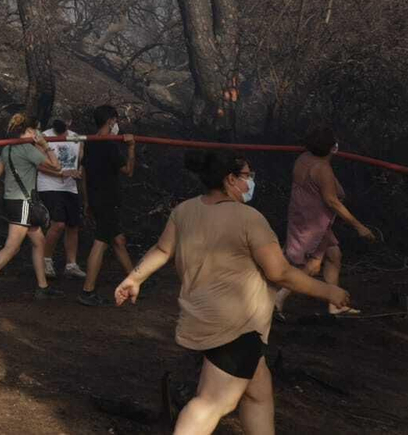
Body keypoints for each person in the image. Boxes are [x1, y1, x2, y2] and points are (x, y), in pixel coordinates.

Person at [115, 150, 351, 435]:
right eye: (247, 176)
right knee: (212, 403)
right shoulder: (249, 218)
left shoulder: (185, 211)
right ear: (230, 179)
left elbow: (163, 249)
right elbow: (281, 273)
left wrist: (134, 278)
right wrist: (330, 292)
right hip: (238, 325)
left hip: (204, 316)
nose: (250, 182)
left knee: (258, 393)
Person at [273, 124, 375, 318]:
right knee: (312, 265)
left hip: (302, 215)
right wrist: (359, 226)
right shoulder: (322, 168)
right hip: (314, 223)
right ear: (332, 147)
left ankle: (334, 304)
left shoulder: (304, 158)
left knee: (334, 256)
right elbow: (332, 201)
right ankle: (278, 298)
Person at [0, 114, 66, 301]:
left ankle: (42, 287)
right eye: (37, 129)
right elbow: (56, 167)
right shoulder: (28, 150)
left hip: (12, 200)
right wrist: (46, 147)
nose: (39, 132)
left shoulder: (7, 149)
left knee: (39, 242)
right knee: (12, 247)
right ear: (30, 130)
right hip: (22, 202)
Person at [77, 104, 137, 307]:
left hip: (97, 199)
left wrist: (86, 201)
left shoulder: (90, 143)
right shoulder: (110, 145)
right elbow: (128, 170)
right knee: (101, 242)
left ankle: (136, 280)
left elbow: (84, 174)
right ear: (111, 120)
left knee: (117, 240)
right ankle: (88, 290)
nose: (116, 125)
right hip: (108, 200)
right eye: (116, 121)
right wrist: (131, 147)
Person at [38, 119, 86, 280]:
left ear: (70, 121)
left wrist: (78, 171)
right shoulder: (44, 136)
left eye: (65, 120)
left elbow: (81, 160)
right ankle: (45, 260)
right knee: (58, 224)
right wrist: (61, 173)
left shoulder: (76, 137)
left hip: (70, 187)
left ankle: (71, 265)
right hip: (49, 185)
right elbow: (38, 164)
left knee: (73, 226)